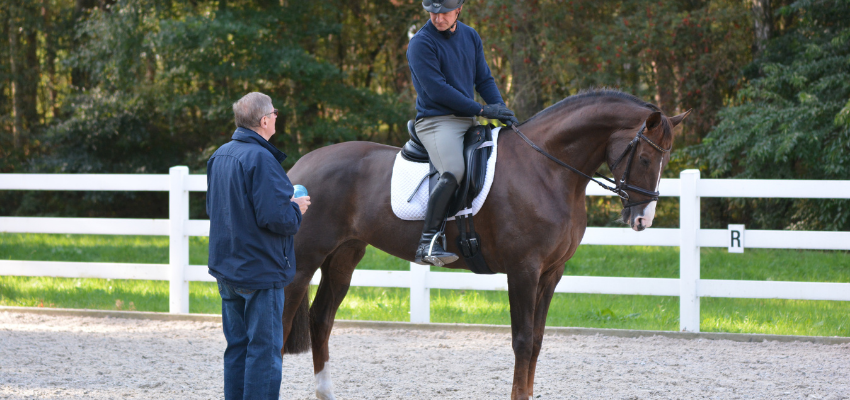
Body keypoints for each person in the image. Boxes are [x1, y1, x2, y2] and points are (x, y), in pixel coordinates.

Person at [206, 92, 311, 400]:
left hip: (227, 269)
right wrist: (296, 207)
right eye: (274, 113)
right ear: (265, 120)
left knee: (237, 347)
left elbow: (217, 209)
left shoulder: (219, 155)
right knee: (264, 351)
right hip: (259, 272)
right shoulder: (263, 159)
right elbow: (278, 219)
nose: (277, 117)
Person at [407, 0, 518, 266]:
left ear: (459, 9)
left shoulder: (470, 35)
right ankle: (428, 241)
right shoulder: (421, 43)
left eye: (444, 12)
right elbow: (438, 90)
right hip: (437, 121)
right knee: (454, 170)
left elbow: (484, 79)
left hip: (467, 119)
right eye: (432, 13)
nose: (437, 18)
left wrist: (501, 110)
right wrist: (482, 109)